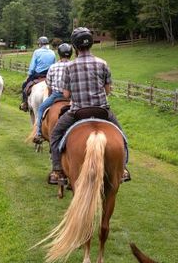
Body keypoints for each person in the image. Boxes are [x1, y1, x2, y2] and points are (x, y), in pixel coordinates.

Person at [48, 27, 130, 185]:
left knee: (55, 135)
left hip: (78, 112)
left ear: (75, 46)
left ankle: (57, 171)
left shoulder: (69, 67)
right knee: (122, 137)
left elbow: (65, 95)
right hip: (102, 111)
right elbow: (107, 90)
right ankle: (123, 169)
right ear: (91, 44)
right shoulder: (103, 63)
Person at [32, 43, 72, 144]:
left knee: (41, 109)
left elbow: (48, 84)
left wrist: (50, 95)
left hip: (56, 95)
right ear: (71, 54)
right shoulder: (74, 65)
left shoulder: (53, 67)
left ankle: (39, 133)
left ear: (59, 54)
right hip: (72, 97)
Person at [19, 36, 56, 111]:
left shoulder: (37, 52)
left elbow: (32, 67)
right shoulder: (52, 52)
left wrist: (29, 75)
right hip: (49, 75)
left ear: (40, 44)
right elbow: (54, 65)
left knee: (24, 85)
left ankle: (24, 103)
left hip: (38, 75)